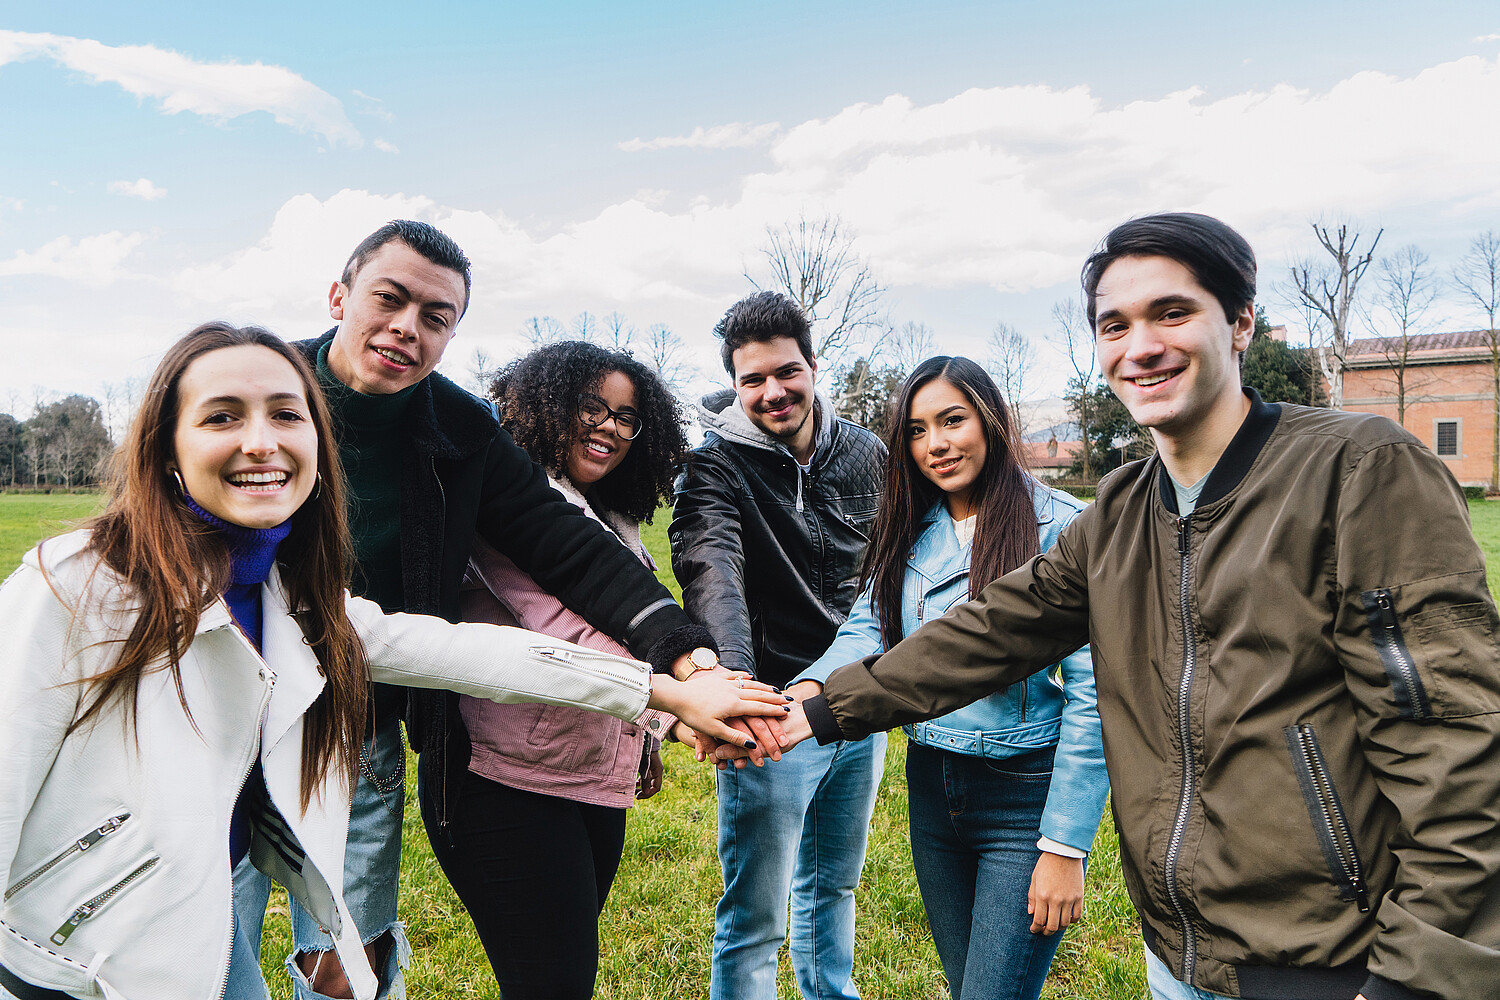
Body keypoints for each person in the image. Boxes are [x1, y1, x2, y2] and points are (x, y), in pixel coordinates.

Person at [784, 213, 1500, 1000]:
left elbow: (1456, 750)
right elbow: (987, 633)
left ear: (1241, 323)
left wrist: (1418, 978)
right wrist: (817, 707)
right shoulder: (1123, 508)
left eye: (1172, 312)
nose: (1141, 346)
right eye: (1114, 325)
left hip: (1330, 965)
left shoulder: (1359, 470)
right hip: (1181, 954)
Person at [0, 323, 784, 1000]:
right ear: (165, 446)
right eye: (222, 417)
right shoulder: (77, 584)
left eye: (287, 414)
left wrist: (661, 690)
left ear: (319, 443)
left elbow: (462, 651)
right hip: (60, 961)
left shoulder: (292, 598)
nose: (262, 441)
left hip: (191, 933)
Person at [245, 220, 744, 1000]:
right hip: (220, 716)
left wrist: (688, 657)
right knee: (210, 945)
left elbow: (569, 551)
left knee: (346, 965)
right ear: (340, 295)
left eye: (437, 317)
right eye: (390, 299)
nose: (408, 327)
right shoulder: (255, 394)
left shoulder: (463, 430)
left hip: (354, 724)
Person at [791, 356, 1107, 1000]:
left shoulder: (1063, 527)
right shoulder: (911, 525)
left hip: (1024, 796)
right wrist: (808, 689)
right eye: (915, 429)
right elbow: (868, 628)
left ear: (991, 420)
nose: (935, 444)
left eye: (952, 420)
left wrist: (1066, 843)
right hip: (933, 786)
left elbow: (1094, 696)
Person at [425, 340, 704, 997]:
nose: (610, 426)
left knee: (561, 974)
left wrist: (640, 743)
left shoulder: (613, 516)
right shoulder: (509, 504)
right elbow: (566, 627)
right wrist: (678, 712)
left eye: (627, 417)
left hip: (583, 779)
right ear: (546, 404)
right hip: (506, 782)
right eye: (592, 407)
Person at [669, 291, 887, 1000]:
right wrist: (737, 692)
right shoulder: (714, 468)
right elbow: (712, 571)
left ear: (814, 366)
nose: (772, 392)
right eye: (751, 380)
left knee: (834, 886)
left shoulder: (864, 453)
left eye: (785, 372)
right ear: (734, 385)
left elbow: (891, 565)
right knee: (757, 916)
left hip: (856, 701)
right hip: (769, 714)